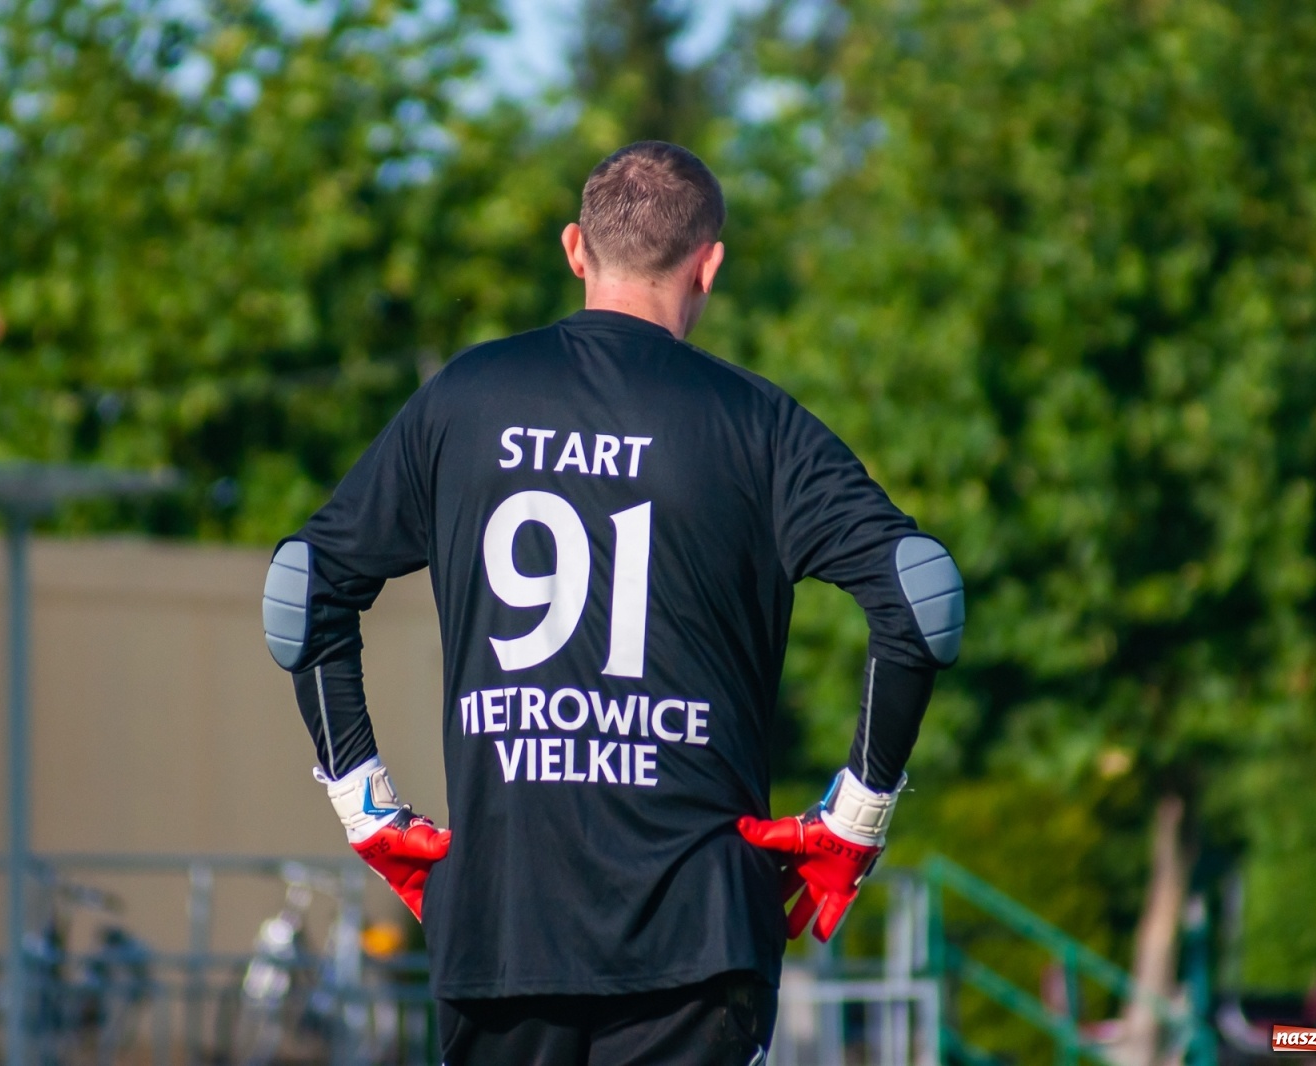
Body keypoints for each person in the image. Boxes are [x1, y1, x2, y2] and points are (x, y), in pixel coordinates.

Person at [260, 140, 963, 1066]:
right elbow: (921, 596)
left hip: (501, 923)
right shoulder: (757, 424)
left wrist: (368, 810)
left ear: (573, 250)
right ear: (709, 265)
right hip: (697, 935)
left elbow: (303, 590)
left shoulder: (464, 397)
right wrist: (855, 818)